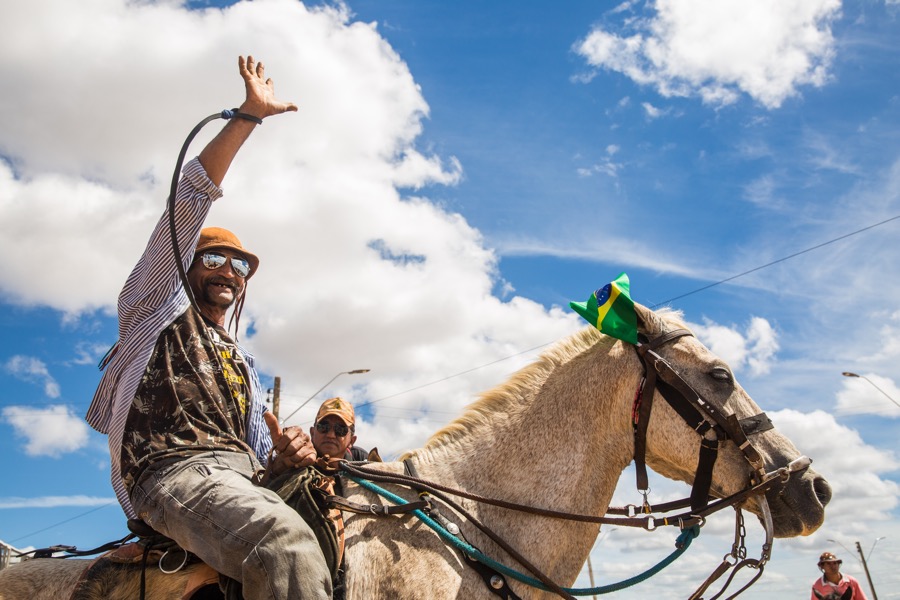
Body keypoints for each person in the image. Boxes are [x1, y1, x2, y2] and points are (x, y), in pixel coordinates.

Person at [85, 56, 331, 599]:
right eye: (213, 259)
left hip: (242, 475)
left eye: (240, 266)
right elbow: (189, 200)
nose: (229, 271)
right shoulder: (154, 309)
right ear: (185, 263)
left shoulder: (240, 365)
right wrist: (248, 117)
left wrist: (289, 451)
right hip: (174, 474)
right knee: (283, 544)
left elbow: (262, 450)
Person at [310, 397, 368, 463]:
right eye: (323, 426)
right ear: (312, 433)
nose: (331, 435)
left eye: (340, 430)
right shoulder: (297, 458)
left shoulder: (362, 460)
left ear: (351, 441)